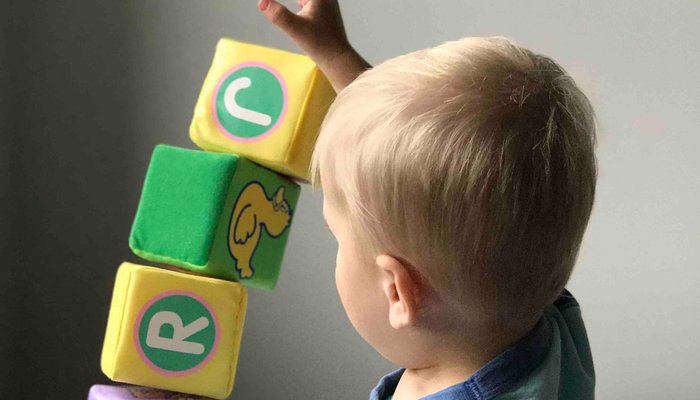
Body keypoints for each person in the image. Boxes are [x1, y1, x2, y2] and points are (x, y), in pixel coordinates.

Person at [258, 1, 597, 399]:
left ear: (398, 291)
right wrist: (335, 54)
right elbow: (438, 178)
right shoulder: (530, 297)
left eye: (338, 239)